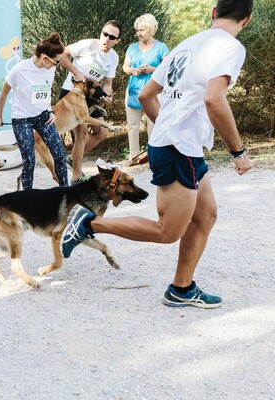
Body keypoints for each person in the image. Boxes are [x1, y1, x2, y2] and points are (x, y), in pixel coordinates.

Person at [61, 0, 254, 309]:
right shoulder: (229, 46)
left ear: (214, 12)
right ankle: (87, 223)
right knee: (168, 231)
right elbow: (214, 100)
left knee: (206, 215)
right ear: (246, 20)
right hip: (180, 148)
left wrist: (165, 129)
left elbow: (146, 95)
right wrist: (238, 151)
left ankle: (181, 288)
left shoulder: (186, 45)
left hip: (177, 145)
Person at [0, 32, 69, 190]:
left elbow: (46, 91)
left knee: (60, 156)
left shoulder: (50, 69)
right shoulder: (19, 70)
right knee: (29, 160)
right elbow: (4, 93)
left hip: (43, 117)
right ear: (44, 58)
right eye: (56, 62)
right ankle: (27, 198)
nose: (58, 64)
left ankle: (66, 192)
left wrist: (50, 110)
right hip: (22, 120)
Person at [57, 20, 122, 183]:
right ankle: (77, 177)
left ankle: (72, 159)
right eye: (105, 34)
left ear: (117, 40)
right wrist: (76, 72)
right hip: (73, 94)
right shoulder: (88, 45)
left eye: (112, 37)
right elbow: (62, 55)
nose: (107, 39)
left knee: (102, 132)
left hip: (92, 98)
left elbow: (107, 83)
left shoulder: (113, 57)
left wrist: (108, 96)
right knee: (82, 134)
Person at [123, 14, 169, 162]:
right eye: (137, 30)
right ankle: (133, 157)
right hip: (134, 90)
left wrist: (153, 69)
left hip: (154, 91)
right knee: (133, 125)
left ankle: (154, 156)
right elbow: (125, 67)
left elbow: (168, 67)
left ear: (151, 29)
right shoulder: (132, 48)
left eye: (142, 29)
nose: (139, 33)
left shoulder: (161, 47)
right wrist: (133, 71)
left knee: (153, 124)